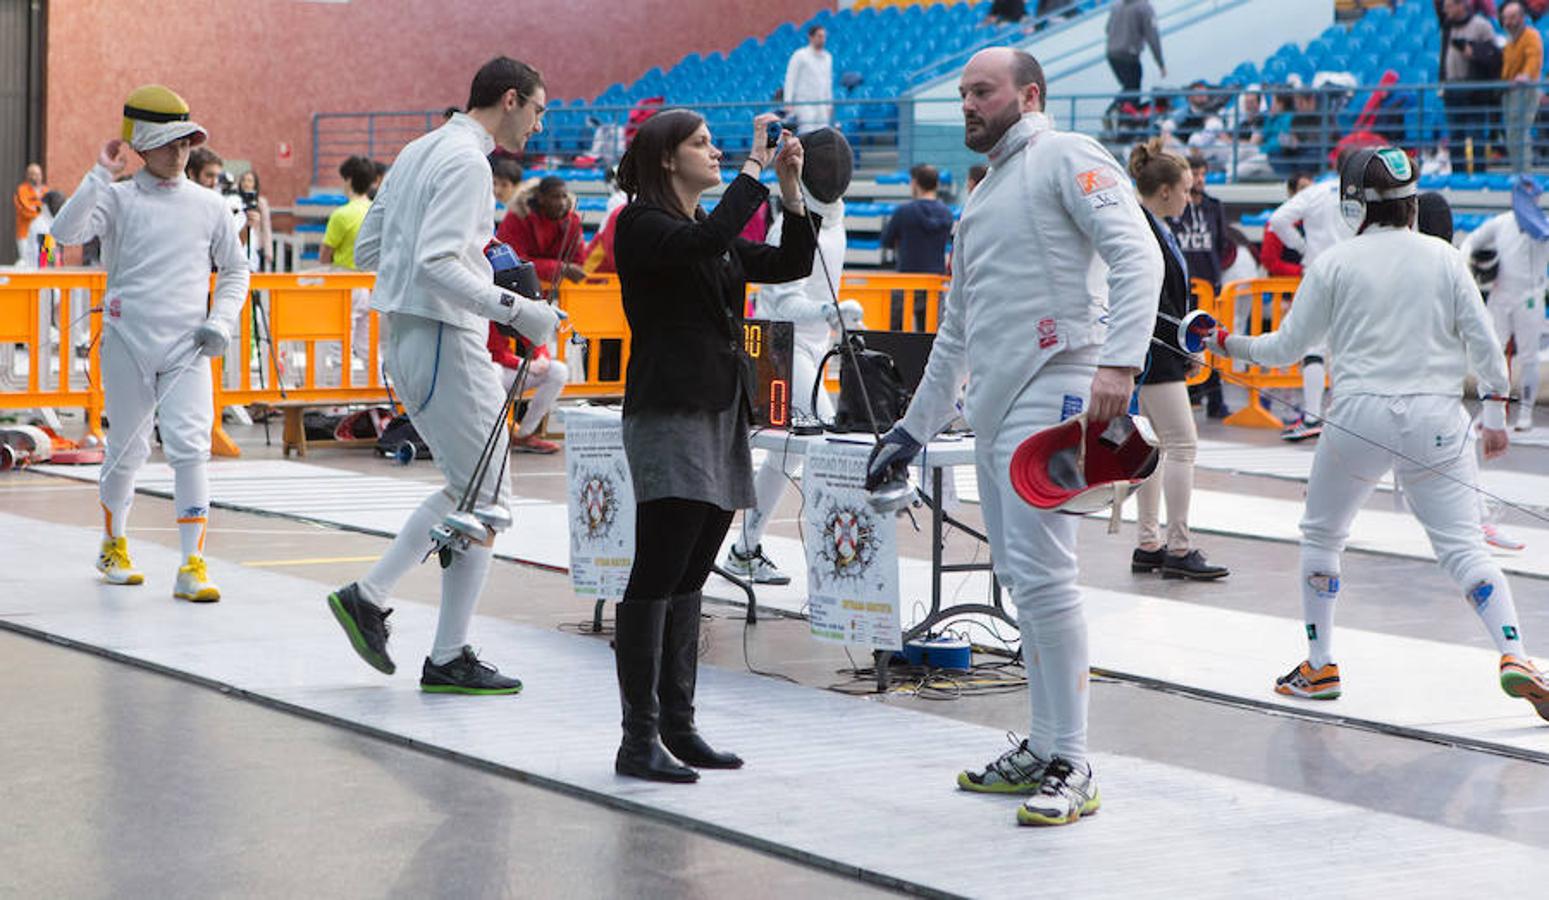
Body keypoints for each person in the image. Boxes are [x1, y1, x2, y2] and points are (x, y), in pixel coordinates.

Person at [868, 48, 1161, 826]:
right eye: (961, 92)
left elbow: (1138, 254)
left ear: (1028, 94)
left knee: (1042, 577)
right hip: (999, 405)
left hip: (1061, 381)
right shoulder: (986, 194)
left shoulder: (1065, 154)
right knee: (1023, 581)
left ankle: (1073, 759)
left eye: (982, 91)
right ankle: (1043, 742)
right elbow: (955, 333)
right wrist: (910, 427)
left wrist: (1118, 364)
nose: (967, 103)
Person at [1192, 145, 1549, 721]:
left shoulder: (1334, 262)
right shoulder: (1444, 257)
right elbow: (1486, 344)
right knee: (1462, 546)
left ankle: (1319, 664)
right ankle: (1516, 654)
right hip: (1438, 419)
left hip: (1358, 417)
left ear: (1353, 203)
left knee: (1323, 535)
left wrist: (1223, 343)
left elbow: (1283, 348)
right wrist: (1496, 416)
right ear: (1411, 201)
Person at [323, 57, 559, 694]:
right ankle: (432, 642)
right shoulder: (465, 162)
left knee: (470, 489)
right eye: (537, 109)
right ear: (510, 99)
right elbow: (433, 263)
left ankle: (376, 603)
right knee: (488, 496)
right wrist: (520, 309)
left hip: (412, 337)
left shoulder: (420, 148)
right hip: (440, 339)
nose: (538, 125)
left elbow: (373, 251)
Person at [611, 109, 815, 783]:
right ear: (666, 159)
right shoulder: (642, 224)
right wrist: (755, 169)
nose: (715, 151)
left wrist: (789, 191)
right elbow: (711, 241)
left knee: (692, 572)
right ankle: (636, 738)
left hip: (720, 407)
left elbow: (788, 262)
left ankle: (678, 725)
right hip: (670, 409)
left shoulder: (704, 231)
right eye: (700, 143)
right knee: (658, 570)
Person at [50, 84, 250, 601]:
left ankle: (192, 564)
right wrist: (99, 173)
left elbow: (235, 271)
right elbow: (65, 232)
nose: (179, 151)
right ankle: (112, 545)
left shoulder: (210, 206)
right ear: (141, 145)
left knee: (190, 449)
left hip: (187, 345)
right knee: (127, 451)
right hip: (126, 340)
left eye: (185, 141)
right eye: (167, 142)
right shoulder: (116, 198)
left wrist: (220, 322)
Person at [723, 127, 861, 585]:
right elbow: (782, 300)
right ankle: (836, 554)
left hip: (812, 345)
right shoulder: (791, 221)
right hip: (777, 345)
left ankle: (744, 548)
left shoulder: (836, 216)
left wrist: (831, 317)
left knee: (787, 454)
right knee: (824, 442)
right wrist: (827, 309)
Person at [1128, 139, 1229, 581]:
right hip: (1155, 354)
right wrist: (1183, 344)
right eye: (1186, 190)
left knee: (1153, 448)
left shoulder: (1151, 226)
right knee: (1181, 445)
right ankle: (1178, 545)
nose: (1191, 198)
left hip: (1156, 350)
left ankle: (1149, 543)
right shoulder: (1147, 230)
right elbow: (1156, 300)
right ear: (1166, 190)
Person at [1267, 150, 1358, 440]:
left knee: (1315, 348)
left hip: (1319, 273)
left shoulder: (1316, 192)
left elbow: (1279, 219)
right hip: (1358, 276)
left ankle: (1312, 417)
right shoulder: (1367, 197)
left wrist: (1304, 248)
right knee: (1351, 347)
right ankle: (1348, 419)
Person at [1460, 177, 1545, 436]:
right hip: (1501, 295)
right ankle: (1490, 412)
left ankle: (1526, 413)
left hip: (1530, 298)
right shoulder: (1501, 223)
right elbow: (1471, 241)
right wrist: (1465, 263)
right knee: (1493, 352)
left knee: (1530, 357)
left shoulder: (1543, 231)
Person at [1169, 154, 1230, 419]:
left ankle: (1215, 399)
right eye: (1196, 174)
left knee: (1212, 341)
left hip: (1209, 284)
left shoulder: (1213, 207)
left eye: (1204, 174)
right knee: (1184, 343)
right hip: (1185, 287)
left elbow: (1222, 243)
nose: (1201, 179)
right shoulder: (1175, 208)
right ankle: (1187, 396)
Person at [320, 155, 376, 364]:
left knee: (339, 346)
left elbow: (325, 255)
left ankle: (341, 395)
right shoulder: (376, 211)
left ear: (349, 180)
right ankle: (378, 390)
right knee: (367, 345)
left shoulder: (341, 215)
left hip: (345, 283)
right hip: (373, 282)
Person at [485, 321, 567, 454]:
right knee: (494, 370)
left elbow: (534, 335)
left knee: (558, 370)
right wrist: (521, 363)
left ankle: (523, 436)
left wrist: (542, 357)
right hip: (480, 372)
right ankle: (493, 436)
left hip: (504, 368)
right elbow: (490, 354)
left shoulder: (513, 305)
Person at [1440, 0, 1502, 171]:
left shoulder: (1481, 26)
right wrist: (1442, 83)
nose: (1445, 10)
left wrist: (1473, 51)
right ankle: (1457, 173)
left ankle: (1479, 172)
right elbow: (1444, 56)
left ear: (1461, 5)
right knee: (1455, 136)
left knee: (1477, 135)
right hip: (1452, 89)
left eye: (1449, 6)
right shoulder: (1448, 26)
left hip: (1475, 90)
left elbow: (1494, 56)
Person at [496, 175, 586, 291]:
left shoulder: (573, 221)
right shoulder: (517, 218)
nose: (562, 203)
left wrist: (561, 269)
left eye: (564, 197)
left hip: (558, 292)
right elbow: (512, 262)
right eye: (555, 197)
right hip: (517, 288)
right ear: (541, 198)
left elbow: (578, 262)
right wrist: (559, 268)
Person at [880, 164, 955, 274]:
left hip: (908, 282)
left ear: (915, 183)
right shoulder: (947, 214)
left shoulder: (903, 212)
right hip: (935, 282)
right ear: (937, 184)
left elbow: (886, 241)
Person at [1501, 2, 1543, 174]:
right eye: (1506, 18)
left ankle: (1524, 172)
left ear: (1521, 18)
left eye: (1512, 17)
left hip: (1526, 91)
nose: (1508, 22)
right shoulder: (1509, 41)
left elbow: (1533, 59)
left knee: (1520, 132)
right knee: (1512, 134)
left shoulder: (1531, 36)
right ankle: (1517, 170)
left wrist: (1525, 76)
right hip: (1510, 92)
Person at [1106, 0, 1165, 108]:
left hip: (1111, 52)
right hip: (1129, 53)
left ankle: (1118, 110)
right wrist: (1160, 63)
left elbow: (1107, 29)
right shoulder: (1144, 7)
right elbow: (1152, 37)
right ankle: (1116, 111)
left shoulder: (1116, 5)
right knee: (1133, 89)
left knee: (1129, 86)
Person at [1259, 172, 1314, 277]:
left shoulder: (1315, 220)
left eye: (1312, 190)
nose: (1309, 194)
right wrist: (1300, 272)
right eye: (1303, 189)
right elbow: (1269, 261)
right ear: (1291, 192)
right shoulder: (1277, 223)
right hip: (1284, 287)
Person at [784, 25, 833, 135]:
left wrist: (829, 104)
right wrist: (788, 102)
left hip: (822, 103)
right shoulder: (800, 55)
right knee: (807, 133)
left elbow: (828, 81)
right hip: (804, 103)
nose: (822, 39)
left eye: (824, 36)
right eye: (819, 36)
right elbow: (790, 79)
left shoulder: (827, 57)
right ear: (811, 37)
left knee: (823, 134)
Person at [236, 169, 272, 271]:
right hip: (240, 242)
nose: (246, 184)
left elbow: (266, 227)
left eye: (249, 181)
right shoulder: (235, 201)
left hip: (255, 245)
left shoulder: (261, 203)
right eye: (244, 180)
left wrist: (268, 251)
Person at [13, 163, 47, 264]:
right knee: (28, 264)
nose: (37, 177)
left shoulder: (46, 191)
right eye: (34, 174)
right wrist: (42, 209)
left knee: (45, 263)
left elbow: (54, 210)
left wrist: (36, 207)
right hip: (26, 235)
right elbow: (25, 209)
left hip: (46, 235)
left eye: (39, 174)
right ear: (28, 175)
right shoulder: (22, 190)